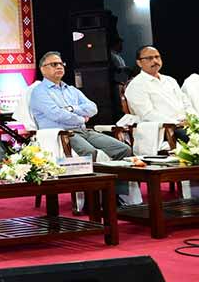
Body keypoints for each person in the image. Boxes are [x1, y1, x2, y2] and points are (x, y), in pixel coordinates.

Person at [29, 51, 138, 205]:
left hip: (84, 130)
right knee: (89, 152)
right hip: (62, 134)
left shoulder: (71, 89)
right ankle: (91, 199)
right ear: (43, 69)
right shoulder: (39, 91)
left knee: (123, 149)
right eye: (54, 64)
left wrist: (71, 109)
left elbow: (93, 108)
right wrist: (81, 117)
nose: (59, 67)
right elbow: (57, 114)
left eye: (61, 64)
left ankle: (114, 195)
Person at [124, 45, 196, 143]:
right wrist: (176, 123)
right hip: (164, 129)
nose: (155, 61)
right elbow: (147, 114)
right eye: (149, 58)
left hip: (186, 125)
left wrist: (192, 119)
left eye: (157, 57)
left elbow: (186, 104)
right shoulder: (136, 85)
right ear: (139, 63)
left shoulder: (170, 80)